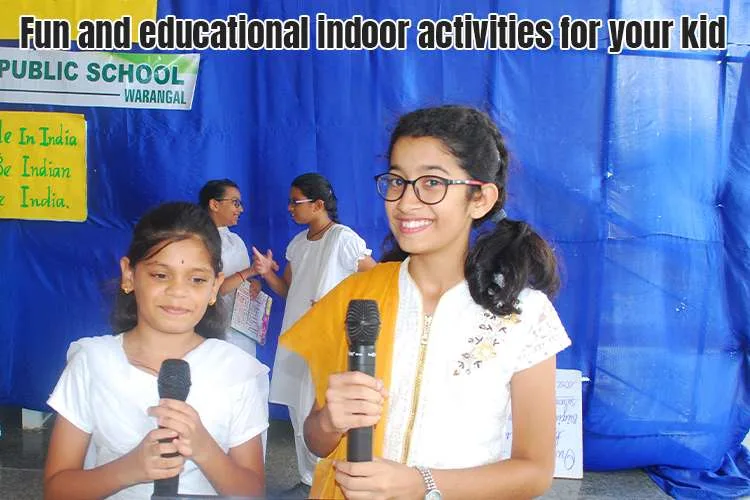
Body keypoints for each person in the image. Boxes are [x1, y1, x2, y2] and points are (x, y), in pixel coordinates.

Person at [279, 105, 572, 499]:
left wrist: (421, 483)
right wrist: (330, 420)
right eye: (397, 181)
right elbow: (316, 441)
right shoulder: (357, 298)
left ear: (480, 198)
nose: (405, 201)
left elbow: (535, 471)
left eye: (432, 182)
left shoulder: (523, 314)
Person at [44, 202, 268, 499]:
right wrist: (130, 469)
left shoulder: (236, 370)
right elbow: (57, 489)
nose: (178, 291)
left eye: (197, 280)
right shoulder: (93, 362)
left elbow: (252, 491)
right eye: (161, 275)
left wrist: (205, 449)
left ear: (215, 287)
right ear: (129, 275)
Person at [252, 172, 377, 494]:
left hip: (326, 339)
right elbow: (288, 289)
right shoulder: (297, 243)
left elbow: (376, 280)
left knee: (317, 408)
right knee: (296, 407)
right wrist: (267, 274)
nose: (290, 208)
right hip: (296, 337)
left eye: (296, 202)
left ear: (319, 204)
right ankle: (307, 479)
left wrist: (338, 303)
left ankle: (324, 480)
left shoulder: (343, 239)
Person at [199, 179, 270, 357]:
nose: (240, 209)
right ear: (214, 204)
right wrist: (251, 271)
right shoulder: (200, 241)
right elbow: (215, 289)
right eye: (235, 203)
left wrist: (254, 283)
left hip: (241, 328)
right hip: (215, 329)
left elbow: (244, 279)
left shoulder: (236, 241)